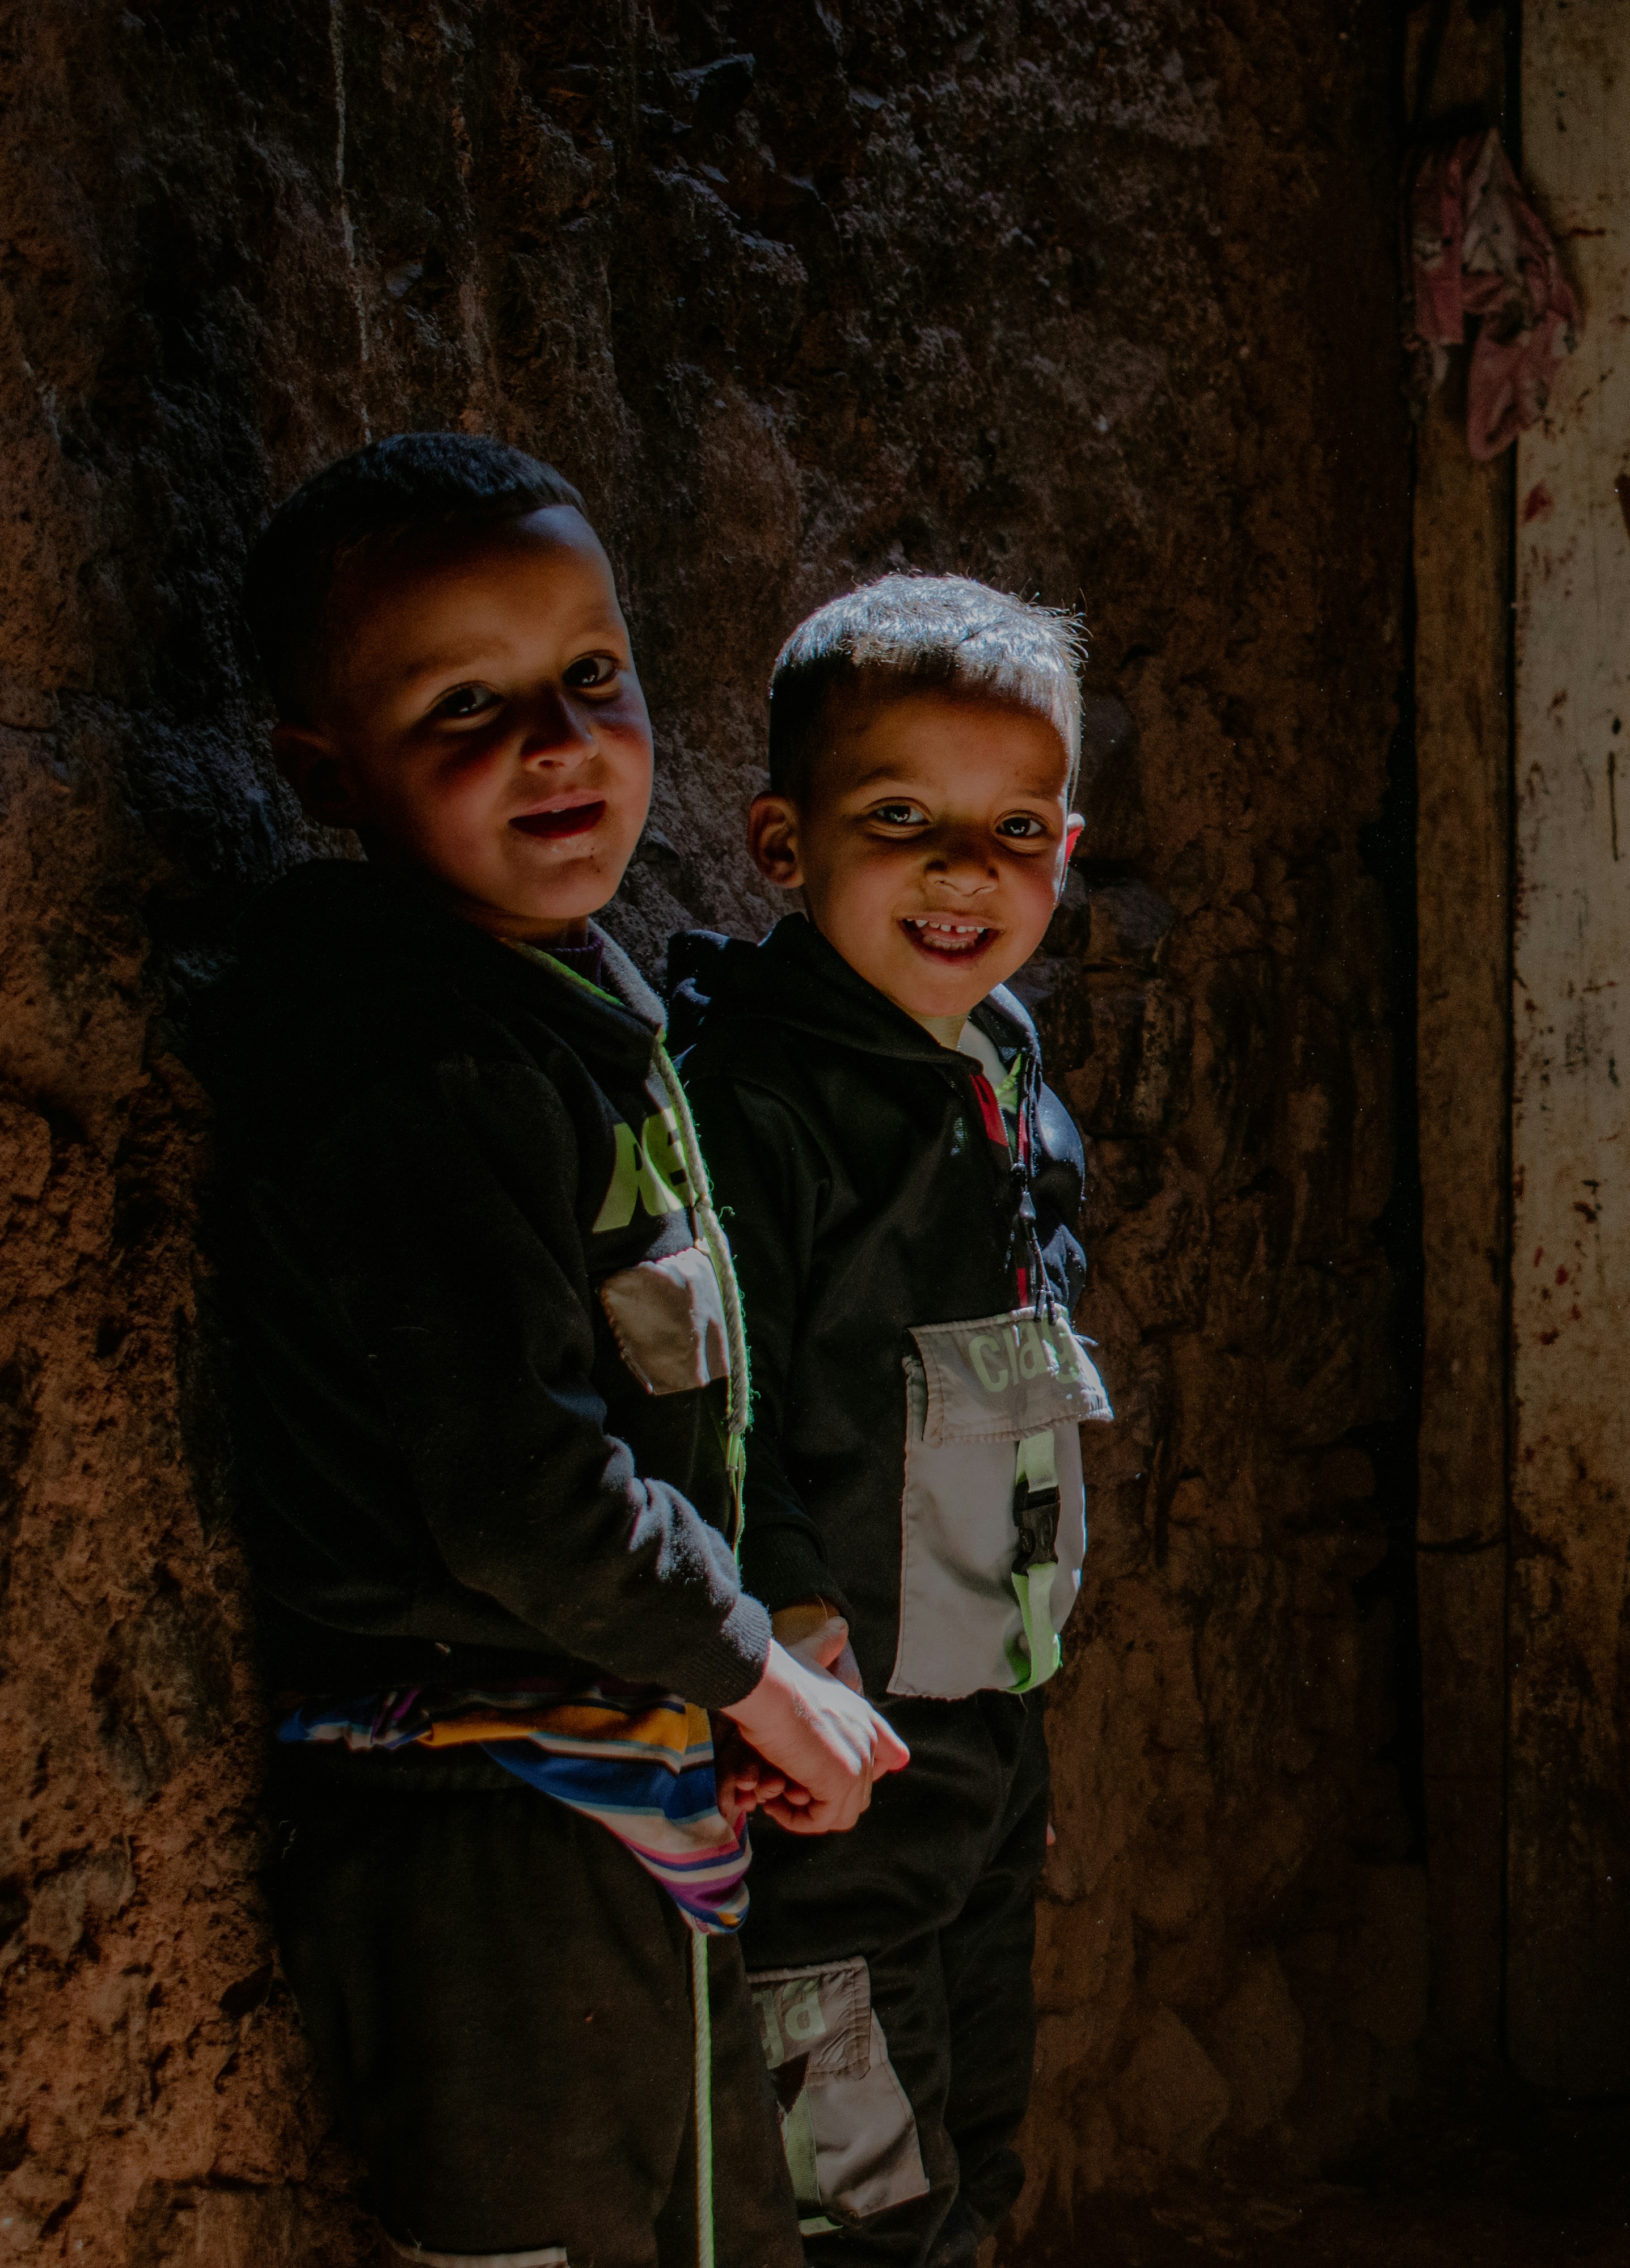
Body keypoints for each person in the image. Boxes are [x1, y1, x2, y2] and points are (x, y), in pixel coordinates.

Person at [199, 432, 911, 2268]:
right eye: (466, 707)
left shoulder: (573, 1007)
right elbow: (524, 1496)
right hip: (481, 1834)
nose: (560, 743)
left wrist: (746, 1647)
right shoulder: (412, 1067)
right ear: (321, 767)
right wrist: (752, 1671)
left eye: (593, 677)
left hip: (610, 1786)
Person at [669, 574, 1108, 2267]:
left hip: (981, 1731)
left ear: (1066, 849)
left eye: (1012, 828)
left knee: (979, 2114)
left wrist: (1019, 1713)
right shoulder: (755, 1106)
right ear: (784, 846)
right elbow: (727, 1412)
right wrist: (786, 1637)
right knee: (855, 2150)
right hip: (833, 1744)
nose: (963, 873)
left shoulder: (1003, 1072)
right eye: (901, 818)